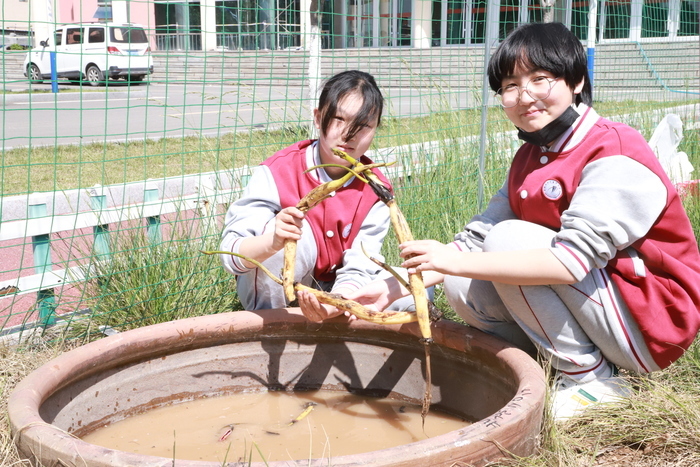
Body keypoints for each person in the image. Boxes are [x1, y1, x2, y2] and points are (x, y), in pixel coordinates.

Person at [345, 23, 700, 420]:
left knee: (505, 243)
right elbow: (472, 239)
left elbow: (570, 262)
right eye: (510, 85)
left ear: (577, 80)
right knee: (465, 280)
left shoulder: (612, 149)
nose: (524, 95)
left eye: (540, 79)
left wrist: (453, 262)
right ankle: (543, 364)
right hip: (601, 305)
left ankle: (594, 379)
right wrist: (389, 288)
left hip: (650, 322)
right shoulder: (534, 156)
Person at [220, 70, 410, 322]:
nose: (349, 134)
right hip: (276, 292)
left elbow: (360, 265)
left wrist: (334, 304)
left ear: (375, 129)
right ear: (319, 118)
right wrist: (274, 241)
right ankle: (276, 326)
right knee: (295, 236)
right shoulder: (278, 171)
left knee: (413, 285)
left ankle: (337, 326)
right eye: (339, 119)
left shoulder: (377, 189)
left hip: (338, 291)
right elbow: (231, 256)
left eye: (363, 125)